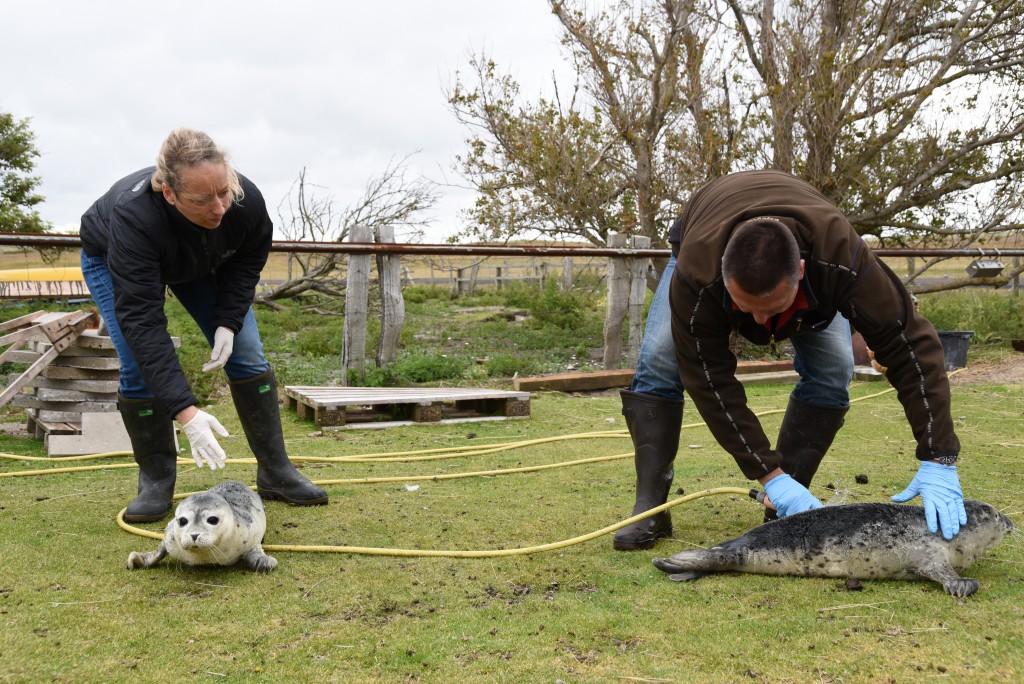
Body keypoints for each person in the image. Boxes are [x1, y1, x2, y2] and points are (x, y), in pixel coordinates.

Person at [615, 169, 967, 549]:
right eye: (745, 309)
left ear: (800, 271)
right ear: (724, 278)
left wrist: (938, 455)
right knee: (659, 360)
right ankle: (649, 507)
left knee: (834, 368)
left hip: (816, 266)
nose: (760, 325)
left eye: (772, 308)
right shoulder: (699, 272)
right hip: (703, 228)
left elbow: (910, 345)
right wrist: (767, 473)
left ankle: (784, 509)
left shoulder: (842, 258)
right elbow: (707, 377)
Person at [80, 128, 328, 523]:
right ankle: (156, 480)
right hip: (116, 256)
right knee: (134, 362)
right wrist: (186, 412)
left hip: (197, 259)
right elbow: (143, 323)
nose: (219, 208)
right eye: (202, 199)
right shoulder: (134, 217)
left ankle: (276, 471)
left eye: (223, 193)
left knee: (246, 351)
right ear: (170, 194)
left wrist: (228, 322)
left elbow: (247, 263)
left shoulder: (244, 200)